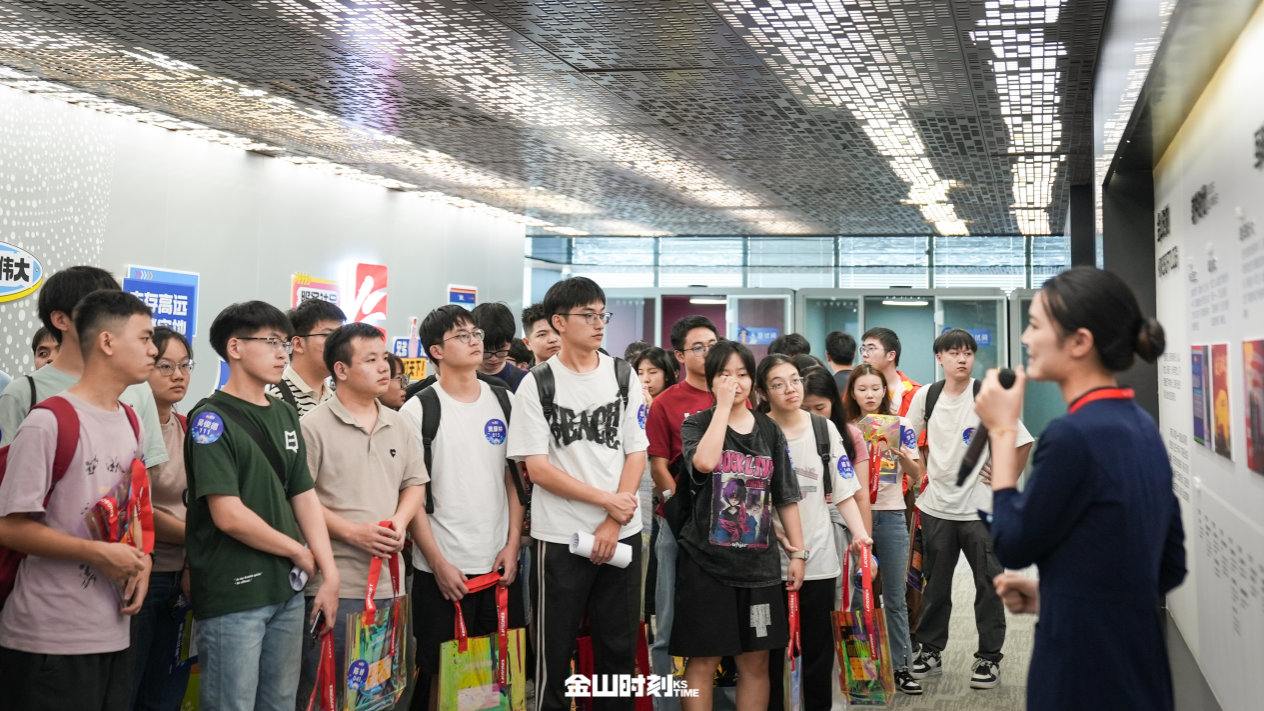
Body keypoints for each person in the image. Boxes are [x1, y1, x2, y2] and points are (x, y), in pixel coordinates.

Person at [978, 267, 1185, 711]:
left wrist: (1001, 431)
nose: (1025, 339)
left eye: (1035, 326)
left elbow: (1012, 544)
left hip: (1081, 672)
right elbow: (1168, 566)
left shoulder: (1072, 436)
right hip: (1139, 668)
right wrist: (1057, 596)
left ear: (1079, 342)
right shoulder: (1142, 426)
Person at [0, 290, 155, 711]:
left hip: (114, 630)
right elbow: (10, 527)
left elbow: (133, 506)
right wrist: (98, 554)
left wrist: (144, 560)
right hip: (49, 637)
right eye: (144, 338)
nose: (153, 350)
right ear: (107, 342)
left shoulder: (131, 421)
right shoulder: (49, 421)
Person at [184, 301, 340, 711]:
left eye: (285, 343)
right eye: (271, 342)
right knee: (232, 703)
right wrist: (297, 551)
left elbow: (304, 495)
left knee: (280, 702)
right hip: (235, 593)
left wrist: (330, 573)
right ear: (234, 347)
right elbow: (228, 515)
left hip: (286, 589)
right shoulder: (210, 419)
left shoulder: (286, 413)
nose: (281, 353)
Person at [506, 277, 647, 711]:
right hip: (561, 536)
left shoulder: (622, 374)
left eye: (603, 314)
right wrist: (606, 503)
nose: (599, 323)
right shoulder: (537, 383)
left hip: (621, 533)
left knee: (618, 651)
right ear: (559, 322)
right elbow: (538, 469)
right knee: (555, 651)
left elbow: (636, 452)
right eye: (588, 315)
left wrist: (614, 520)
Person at [401, 305, 525, 711]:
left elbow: (513, 481)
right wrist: (436, 562)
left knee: (499, 674)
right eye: (462, 336)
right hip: (442, 568)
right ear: (436, 351)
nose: (475, 341)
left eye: (476, 333)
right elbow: (412, 494)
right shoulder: (418, 410)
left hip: (499, 565)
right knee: (442, 675)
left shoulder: (504, 400)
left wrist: (512, 546)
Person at [297, 323, 427, 706]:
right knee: (327, 694)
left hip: (391, 585)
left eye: (383, 358)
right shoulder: (312, 426)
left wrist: (399, 522)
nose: (384, 367)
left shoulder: (398, 423)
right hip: (335, 585)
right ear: (341, 370)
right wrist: (352, 533)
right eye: (370, 360)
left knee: (381, 696)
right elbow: (299, 499)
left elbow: (414, 484)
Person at [673, 340, 806, 711]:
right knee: (704, 660)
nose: (735, 382)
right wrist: (721, 408)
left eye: (743, 374)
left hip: (758, 569)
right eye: (725, 375)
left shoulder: (769, 430)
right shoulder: (697, 423)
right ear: (711, 380)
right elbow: (705, 463)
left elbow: (786, 496)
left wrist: (798, 553)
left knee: (756, 662)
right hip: (705, 565)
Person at [905, 328, 1034, 690]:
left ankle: (988, 658)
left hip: (981, 511)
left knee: (989, 586)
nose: (961, 359)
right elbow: (907, 440)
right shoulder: (926, 396)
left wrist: (1006, 477)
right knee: (934, 587)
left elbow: (1022, 441)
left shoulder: (986, 395)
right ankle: (930, 651)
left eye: (967, 353)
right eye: (954, 353)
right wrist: (917, 471)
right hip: (936, 508)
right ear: (940, 358)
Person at [759, 355, 871, 710]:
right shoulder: (757, 431)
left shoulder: (823, 429)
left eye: (794, 380)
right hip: (768, 564)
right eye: (778, 384)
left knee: (819, 652)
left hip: (820, 558)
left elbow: (844, 491)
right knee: (770, 655)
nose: (790, 389)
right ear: (763, 392)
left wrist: (861, 536)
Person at [0, 266, 167, 474]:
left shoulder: (138, 388)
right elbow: (11, 476)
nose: (111, 318)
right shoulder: (22, 393)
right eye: (96, 307)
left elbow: (147, 471)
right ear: (61, 319)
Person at [644, 316, 719, 706]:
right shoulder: (666, 402)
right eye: (698, 347)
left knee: (717, 626)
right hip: (678, 524)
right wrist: (679, 507)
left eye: (713, 344)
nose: (708, 352)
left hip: (726, 527)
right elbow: (658, 465)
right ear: (679, 356)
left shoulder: (735, 396)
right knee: (668, 622)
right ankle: (666, 703)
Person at [843, 363, 924, 692]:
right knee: (857, 595)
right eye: (862, 389)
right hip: (852, 517)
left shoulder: (901, 425)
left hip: (890, 514)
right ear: (852, 393)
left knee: (894, 596)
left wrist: (902, 457)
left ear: (884, 391)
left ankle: (902, 667)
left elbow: (917, 474)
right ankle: (862, 671)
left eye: (875, 388)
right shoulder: (845, 429)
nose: (869, 395)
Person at [131, 326, 196, 710]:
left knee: (167, 693)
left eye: (185, 365)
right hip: (143, 573)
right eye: (166, 366)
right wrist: (199, 536)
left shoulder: (190, 427)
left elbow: (198, 503)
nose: (178, 375)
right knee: (128, 687)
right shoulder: (130, 425)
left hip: (183, 580)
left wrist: (191, 560)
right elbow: (137, 508)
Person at [796, 364, 873, 597]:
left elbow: (860, 496)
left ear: (834, 402)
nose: (813, 415)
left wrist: (865, 550)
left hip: (841, 524)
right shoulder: (788, 436)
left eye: (820, 407)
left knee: (841, 597)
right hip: (800, 523)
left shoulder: (850, 436)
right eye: (805, 408)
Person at [265, 298, 345, 416]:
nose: (338, 343)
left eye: (340, 337)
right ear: (298, 344)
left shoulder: (337, 399)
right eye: (328, 335)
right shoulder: (274, 396)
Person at [860, 327, 920, 416]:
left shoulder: (914, 393)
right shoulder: (856, 387)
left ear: (891, 355)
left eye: (871, 348)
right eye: (863, 349)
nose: (864, 354)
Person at [471, 301, 526, 392]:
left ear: (510, 342)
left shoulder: (524, 380)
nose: (493, 358)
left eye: (500, 350)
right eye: (486, 351)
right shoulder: (459, 378)